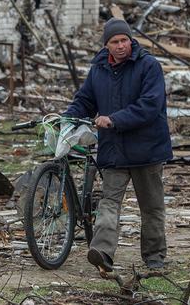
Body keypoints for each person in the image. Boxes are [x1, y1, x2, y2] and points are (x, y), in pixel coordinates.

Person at [64, 18, 171, 272]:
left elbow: (150, 105)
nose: (121, 45)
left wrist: (113, 119)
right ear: (106, 45)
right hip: (114, 149)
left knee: (151, 206)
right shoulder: (99, 69)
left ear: (131, 41)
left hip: (147, 149)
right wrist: (67, 117)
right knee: (109, 203)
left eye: (124, 40)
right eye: (115, 41)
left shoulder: (149, 66)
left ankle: (155, 256)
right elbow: (85, 100)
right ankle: (102, 253)